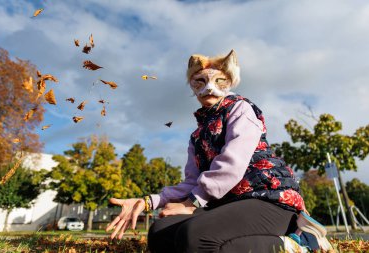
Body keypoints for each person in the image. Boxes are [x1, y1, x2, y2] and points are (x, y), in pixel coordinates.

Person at [106, 50, 333, 253]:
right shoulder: (197, 136)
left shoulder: (240, 109)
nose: (209, 87)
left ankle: (302, 244)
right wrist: (149, 201)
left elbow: (232, 164)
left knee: (196, 238)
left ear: (230, 81)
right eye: (199, 81)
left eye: (218, 80)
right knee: (160, 233)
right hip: (227, 204)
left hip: (268, 199)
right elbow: (192, 183)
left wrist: (191, 204)